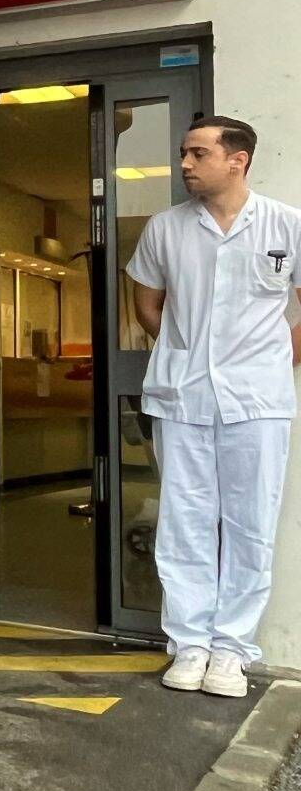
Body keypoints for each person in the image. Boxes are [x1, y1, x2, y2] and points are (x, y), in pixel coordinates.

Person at [127, 117, 301, 698]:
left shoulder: (285, 224)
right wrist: (185, 350)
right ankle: (190, 643)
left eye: (197, 153)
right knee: (185, 522)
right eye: (182, 153)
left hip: (259, 401)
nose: (184, 163)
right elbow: (147, 305)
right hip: (183, 396)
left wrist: (273, 360)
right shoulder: (165, 229)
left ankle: (231, 650)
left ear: (237, 160)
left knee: (250, 525)